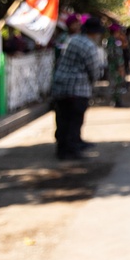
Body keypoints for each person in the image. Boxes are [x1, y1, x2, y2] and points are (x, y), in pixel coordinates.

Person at [51, 16, 104, 160]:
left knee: (62, 120)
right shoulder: (89, 46)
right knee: (74, 121)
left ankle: (62, 149)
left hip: (60, 86)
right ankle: (72, 150)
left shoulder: (71, 40)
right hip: (78, 90)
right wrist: (93, 82)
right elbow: (94, 70)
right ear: (95, 33)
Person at [105, 23, 126, 107]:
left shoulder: (110, 40)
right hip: (115, 66)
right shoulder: (113, 41)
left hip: (112, 66)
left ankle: (115, 100)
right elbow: (117, 55)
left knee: (114, 83)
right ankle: (116, 101)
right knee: (116, 83)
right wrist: (120, 66)